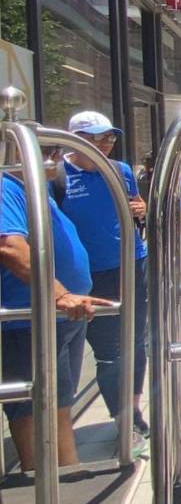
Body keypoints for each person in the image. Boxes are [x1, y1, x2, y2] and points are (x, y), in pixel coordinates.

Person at [1, 160, 112, 470]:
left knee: (59, 405)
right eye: (45, 149)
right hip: (30, 321)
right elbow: (10, 246)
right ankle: (43, 489)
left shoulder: (39, 190)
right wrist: (60, 294)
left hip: (63, 318)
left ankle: (66, 477)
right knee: (35, 411)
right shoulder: (5, 187)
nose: (55, 157)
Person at [55, 111, 152, 450]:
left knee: (137, 341)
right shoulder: (58, 177)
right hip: (87, 277)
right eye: (96, 138)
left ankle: (134, 411)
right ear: (75, 139)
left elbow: (135, 208)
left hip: (131, 265)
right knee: (110, 350)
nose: (104, 144)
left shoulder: (122, 171)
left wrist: (140, 208)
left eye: (109, 138)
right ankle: (123, 420)